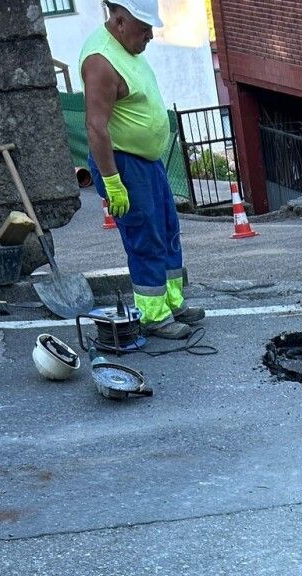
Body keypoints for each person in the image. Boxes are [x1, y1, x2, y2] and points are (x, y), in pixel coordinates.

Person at [80, 0, 203, 339]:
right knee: (145, 236)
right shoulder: (101, 62)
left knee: (166, 228)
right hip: (125, 163)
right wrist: (112, 181)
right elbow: (95, 127)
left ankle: (172, 302)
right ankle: (154, 316)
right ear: (119, 21)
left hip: (146, 162)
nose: (150, 34)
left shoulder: (127, 49)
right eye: (144, 27)